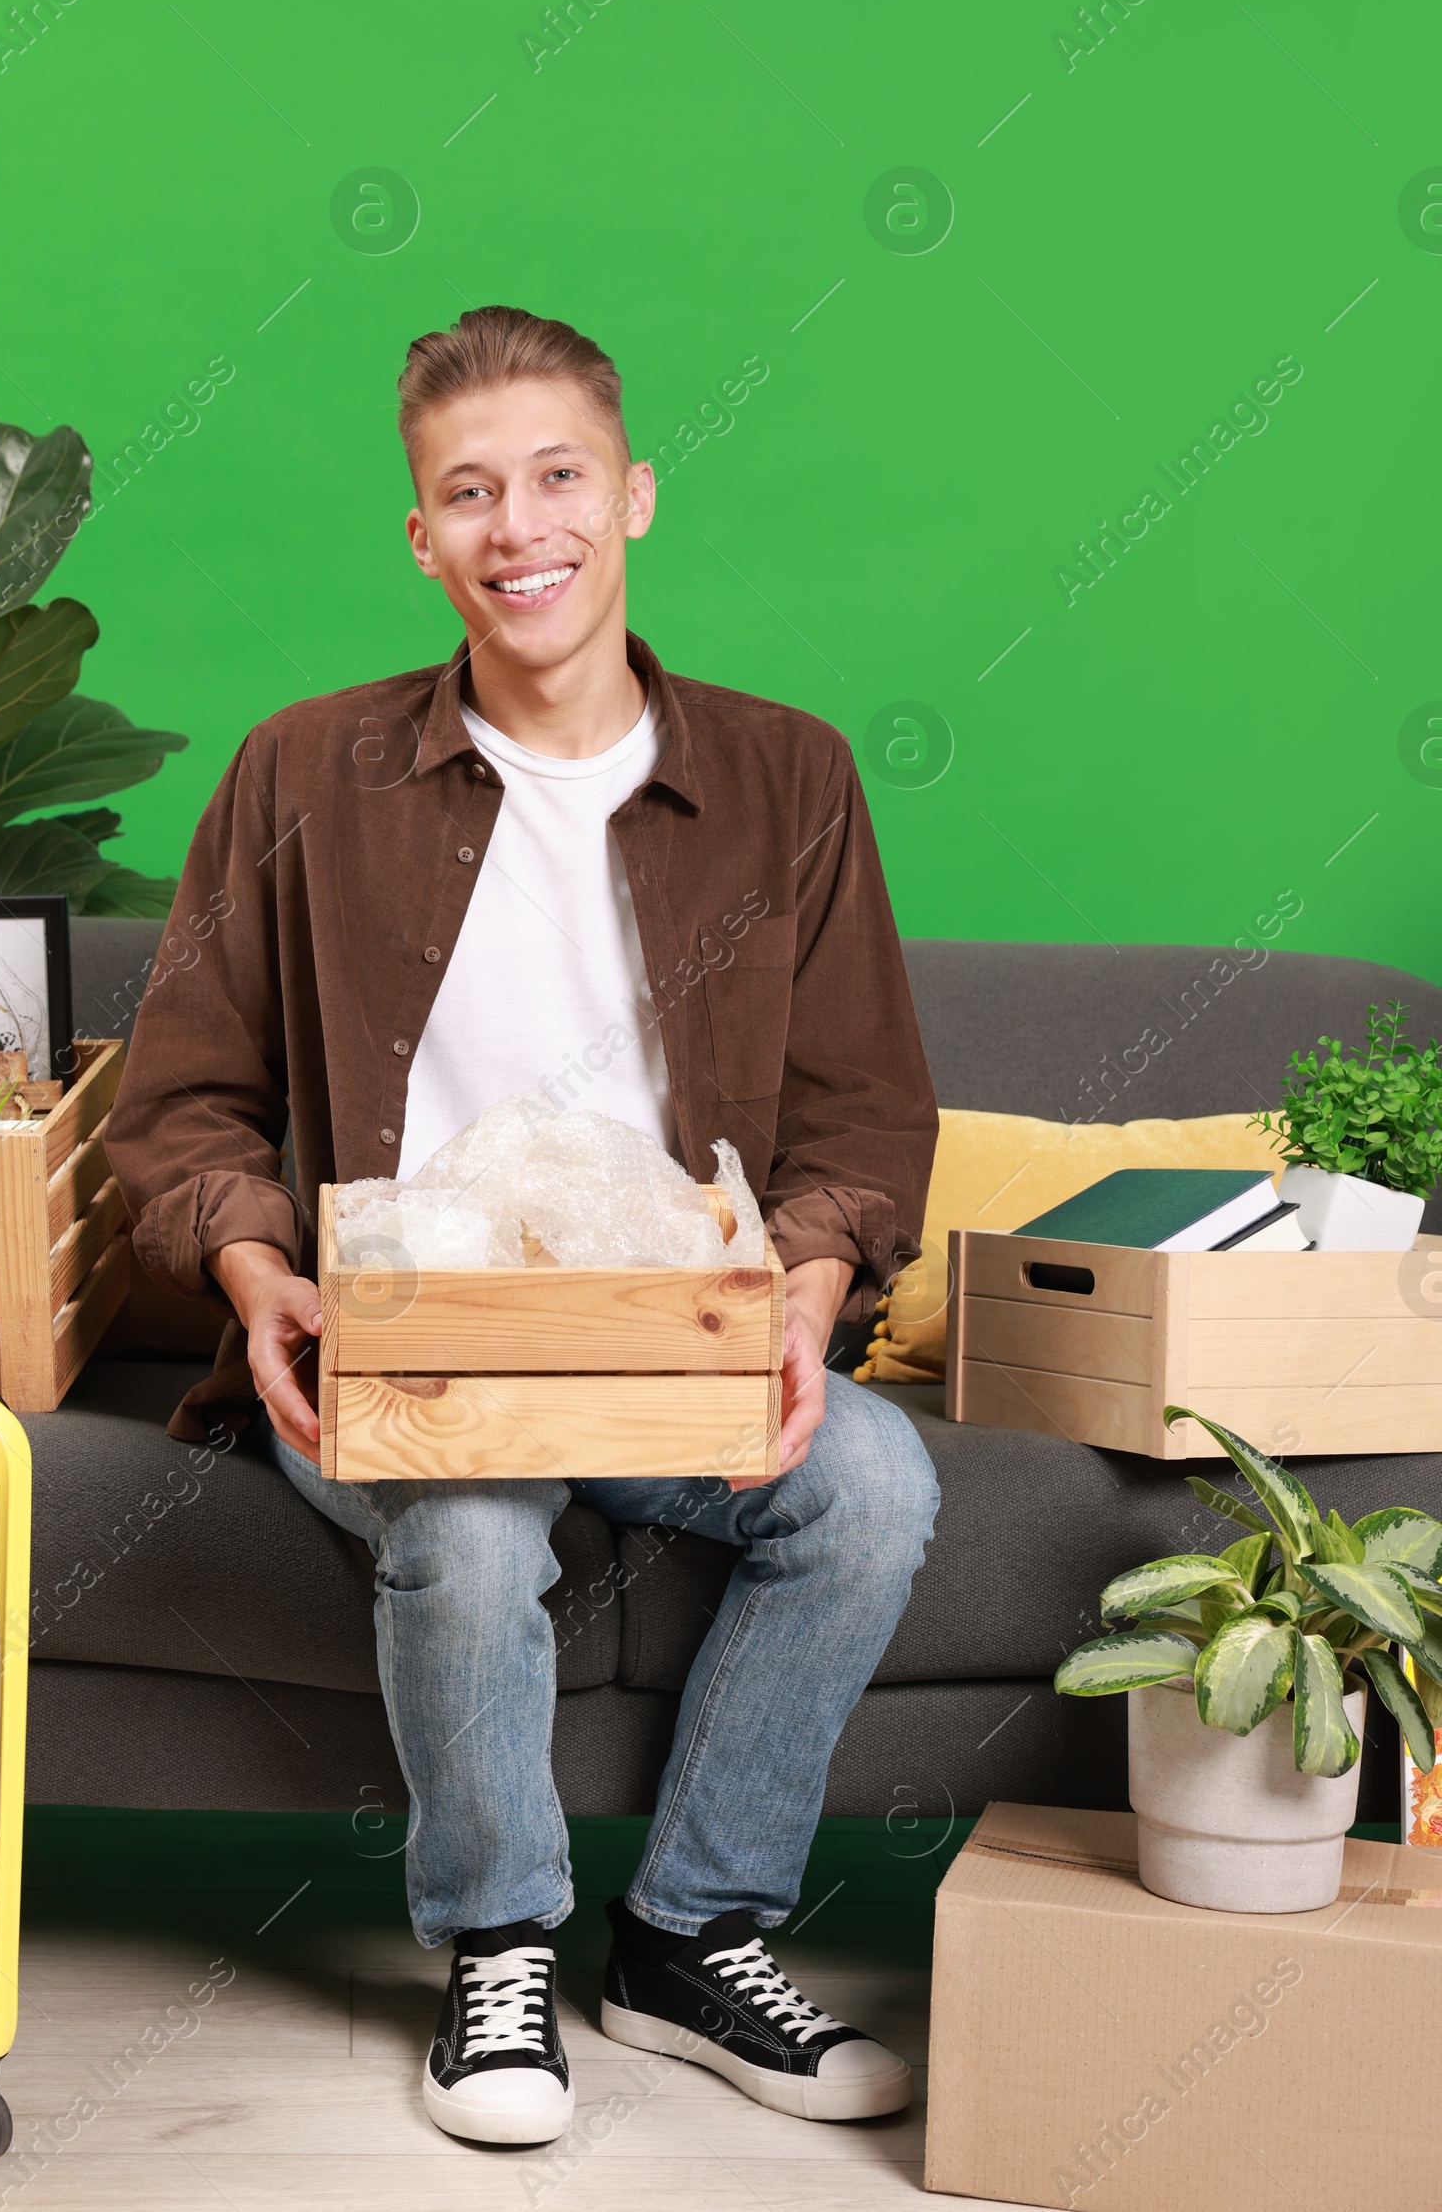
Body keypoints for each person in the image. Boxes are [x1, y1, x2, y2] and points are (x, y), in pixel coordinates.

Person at [107, 305, 942, 2147]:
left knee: (874, 1486)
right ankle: (497, 1942)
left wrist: (801, 1297)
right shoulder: (300, 776)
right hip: (395, 1350)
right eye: (468, 493)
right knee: (474, 1527)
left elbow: (868, 1120)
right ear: (423, 538)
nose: (520, 526)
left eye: (558, 476)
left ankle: (688, 1937)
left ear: (631, 493)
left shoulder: (788, 777)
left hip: (678, 1353)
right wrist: (263, 1279)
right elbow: (176, 1109)